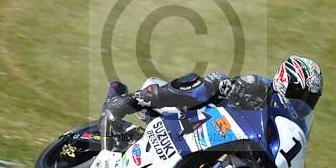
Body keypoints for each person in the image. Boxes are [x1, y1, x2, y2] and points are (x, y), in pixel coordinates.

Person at [104, 55, 323, 133]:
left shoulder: (295, 124)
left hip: (228, 137)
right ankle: (130, 100)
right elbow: (224, 81)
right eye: (298, 93)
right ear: (284, 81)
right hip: (204, 116)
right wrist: (231, 87)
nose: (301, 102)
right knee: (202, 86)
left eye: (308, 99)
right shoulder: (260, 85)